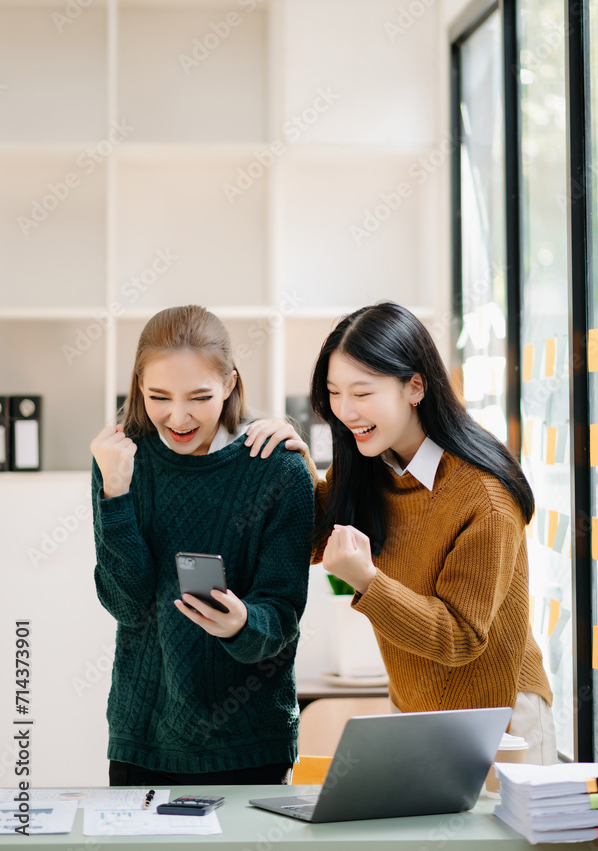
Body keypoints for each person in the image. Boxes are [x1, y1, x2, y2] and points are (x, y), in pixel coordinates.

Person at [243, 301, 557, 765]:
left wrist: (368, 581)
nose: (345, 410)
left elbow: (461, 637)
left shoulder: (483, 497)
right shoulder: (375, 468)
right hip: (415, 709)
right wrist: (294, 459)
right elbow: (310, 541)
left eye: (362, 393)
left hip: (501, 716)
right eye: (333, 392)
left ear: (414, 387)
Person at [89, 305, 314, 786]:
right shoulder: (120, 460)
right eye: (158, 396)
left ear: (231, 384)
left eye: (199, 396)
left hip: (251, 744)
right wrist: (114, 494)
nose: (178, 415)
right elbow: (127, 604)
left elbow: (283, 611)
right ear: (138, 385)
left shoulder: (278, 468)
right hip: (143, 738)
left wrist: (242, 624)